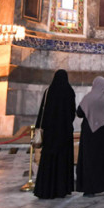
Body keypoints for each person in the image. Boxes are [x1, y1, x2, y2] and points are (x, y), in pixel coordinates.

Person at [33, 70, 76, 199]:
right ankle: (61, 189)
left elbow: (42, 112)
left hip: (50, 134)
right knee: (62, 161)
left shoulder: (48, 91)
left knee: (49, 161)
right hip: (64, 133)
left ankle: (46, 189)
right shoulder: (69, 92)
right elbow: (72, 112)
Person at [75, 76, 104, 197]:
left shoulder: (88, 97)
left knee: (90, 160)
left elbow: (79, 113)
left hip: (91, 133)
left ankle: (89, 189)